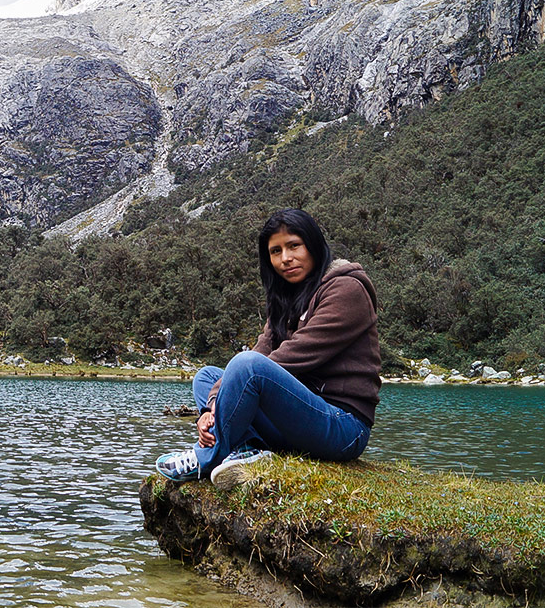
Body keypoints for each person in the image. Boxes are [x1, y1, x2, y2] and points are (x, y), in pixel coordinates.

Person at [155, 208, 382, 489]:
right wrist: (210, 408)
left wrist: (220, 400)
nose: (285, 258)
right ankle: (249, 449)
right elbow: (263, 350)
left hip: (342, 426)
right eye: (276, 251)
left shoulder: (347, 290)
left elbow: (292, 356)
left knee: (246, 367)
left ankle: (206, 458)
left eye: (294, 246)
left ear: (313, 244)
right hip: (297, 418)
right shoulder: (287, 298)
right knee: (207, 376)